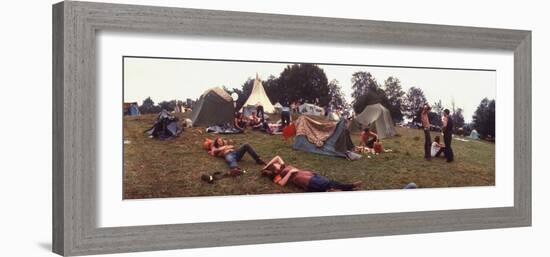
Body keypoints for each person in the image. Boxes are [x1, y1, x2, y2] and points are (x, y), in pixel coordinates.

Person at [261, 156, 362, 192]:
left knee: (328, 184)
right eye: (276, 165)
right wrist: (290, 173)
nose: (278, 163)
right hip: (305, 180)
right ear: (274, 169)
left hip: (309, 175)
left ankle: (348, 189)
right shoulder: (278, 175)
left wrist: (266, 166)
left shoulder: (283, 166)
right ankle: (350, 186)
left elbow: (277, 157)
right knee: (327, 183)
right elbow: (281, 184)